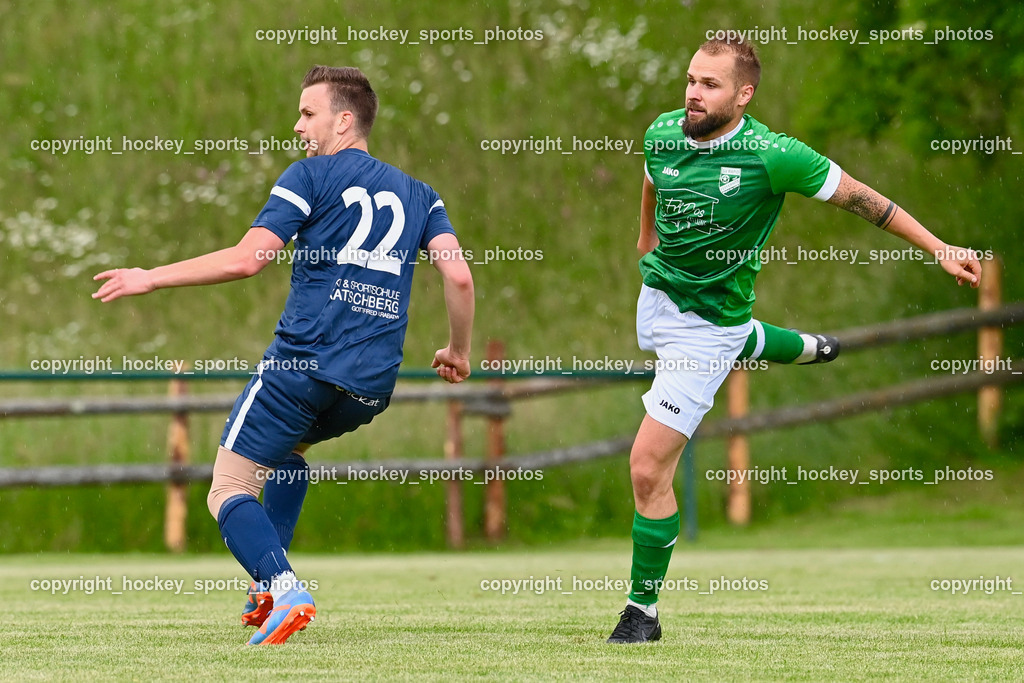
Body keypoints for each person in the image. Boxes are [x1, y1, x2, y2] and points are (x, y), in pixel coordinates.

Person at [607, 37, 981, 643]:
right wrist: (646, 238)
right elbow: (652, 178)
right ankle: (783, 343)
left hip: (706, 330)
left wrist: (941, 248)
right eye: (690, 80)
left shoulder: (773, 155)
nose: (693, 95)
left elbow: (864, 200)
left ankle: (641, 613)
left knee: (647, 469)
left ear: (744, 94)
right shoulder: (664, 130)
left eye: (710, 85)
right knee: (729, 346)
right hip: (657, 301)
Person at [93, 65, 475, 645]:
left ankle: (284, 585)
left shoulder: (311, 176)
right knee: (288, 451)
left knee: (227, 489)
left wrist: (150, 277)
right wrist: (457, 350)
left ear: (343, 120)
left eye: (306, 113)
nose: (297, 126)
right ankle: (268, 591)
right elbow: (460, 277)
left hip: (302, 366)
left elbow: (249, 258)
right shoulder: (423, 196)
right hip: (370, 387)